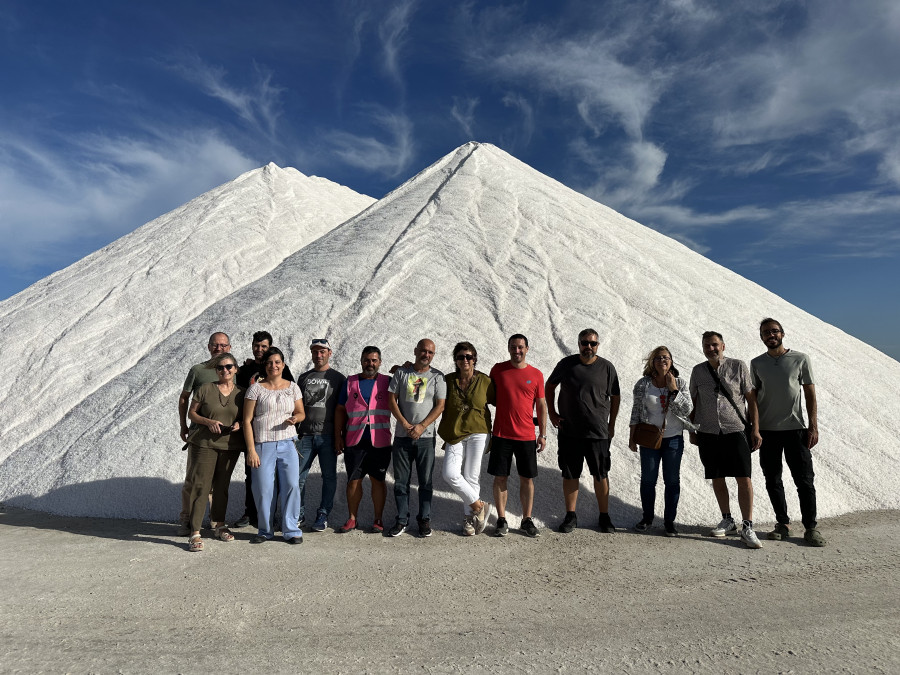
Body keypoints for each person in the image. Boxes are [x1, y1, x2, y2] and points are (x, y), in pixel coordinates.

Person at [751, 318, 825, 547]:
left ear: (782, 333)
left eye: (774, 331)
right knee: (772, 479)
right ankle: (782, 524)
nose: (770, 335)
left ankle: (811, 528)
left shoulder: (800, 359)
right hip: (767, 430)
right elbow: (753, 397)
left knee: (804, 480)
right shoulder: (756, 363)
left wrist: (813, 426)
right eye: (766, 332)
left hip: (795, 429)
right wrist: (754, 429)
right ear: (761, 337)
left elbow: (810, 393)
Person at [689, 331, 763, 549]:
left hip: (736, 429)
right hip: (709, 432)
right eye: (706, 346)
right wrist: (691, 430)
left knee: (744, 477)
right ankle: (727, 519)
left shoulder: (738, 366)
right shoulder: (698, 371)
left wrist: (755, 430)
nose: (711, 349)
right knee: (717, 476)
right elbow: (693, 402)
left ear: (723, 346)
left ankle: (747, 525)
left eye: (714, 345)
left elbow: (751, 400)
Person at [546, 329, 621, 534]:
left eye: (593, 343)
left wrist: (611, 424)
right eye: (585, 343)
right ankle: (570, 516)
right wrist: (552, 413)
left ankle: (604, 517)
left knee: (600, 474)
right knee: (570, 474)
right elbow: (549, 386)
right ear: (578, 344)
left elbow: (615, 397)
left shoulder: (606, 367)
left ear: (598, 345)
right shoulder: (566, 364)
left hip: (598, 432)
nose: (589, 347)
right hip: (570, 431)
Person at [628, 346, 695, 536]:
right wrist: (632, 437)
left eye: (666, 357)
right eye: (658, 358)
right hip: (649, 439)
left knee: (672, 481)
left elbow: (687, 410)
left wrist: (673, 390)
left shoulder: (679, 383)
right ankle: (647, 517)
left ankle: (669, 521)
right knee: (648, 480)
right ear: (652, 362)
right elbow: (635, 412)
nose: (662, 361)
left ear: (671, 361)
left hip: (673, 439)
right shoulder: (643, 384)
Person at [242, 347, 306, 544]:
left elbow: (302, 412)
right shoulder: (256, 388)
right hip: (263, 445)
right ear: (265, 365)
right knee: (263, 489)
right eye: (269, 363)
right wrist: (251, 450)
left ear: (283, 365)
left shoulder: (293, 387)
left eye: (277, 362)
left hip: (288, 443)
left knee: (292, 486)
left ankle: (291, 530)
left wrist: (296, 418)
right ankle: (265, 530)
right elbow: (246, 420)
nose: (273, 366)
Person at [184, 353, 245, 551]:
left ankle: (219, 524)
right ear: (215, 371)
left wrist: (240, 424)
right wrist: (207, 421)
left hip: (230, 446)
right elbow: (191, 412)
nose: (224, 371)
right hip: (204, 444)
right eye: (220, 368)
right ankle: (195, 531)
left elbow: (249, 416)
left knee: (222, 486)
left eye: (229, 367)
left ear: (235, 368)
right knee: (201, 486)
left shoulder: (242, 393)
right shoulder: (205, 389)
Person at [233, 330, 294, 529]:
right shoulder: (245, 370)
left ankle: (272, 517)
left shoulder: (279, 369)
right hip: (251, 429)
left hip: (278, 434)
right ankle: (251, 513)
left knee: (280, 479)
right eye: (256, 346)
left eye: (264, 347)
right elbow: (236, 398)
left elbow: (291, 395)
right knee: (253, 474)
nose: (259, 350)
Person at [488, 334, 547, 538]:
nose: (517, 351)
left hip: (526, 436)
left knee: (527, 479)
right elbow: (489, 396)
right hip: (502, 434)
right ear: (508, 348)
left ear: (527, 349)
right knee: (500, 477)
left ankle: (526, 519)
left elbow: (541, 404)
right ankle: (502, 519)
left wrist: (543, 434)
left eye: (520, 347)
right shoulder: (497, 370)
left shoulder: (536, 374)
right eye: (513, 347)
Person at [386, 339, 446, 538]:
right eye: (423, 351)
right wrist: (404, 423)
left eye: (430, 352)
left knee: (425, 482)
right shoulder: (402, 373)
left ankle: (424, 519)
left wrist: (421, 426)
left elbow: (440, 405)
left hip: (426, 437)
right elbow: (391, 399)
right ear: (415, 351)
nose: (426, 355)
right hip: (403, 437)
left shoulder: (437, 377)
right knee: (401, 482)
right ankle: (402, 519)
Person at [176, 331, 231, 535]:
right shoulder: (198, 370)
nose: (219, 348)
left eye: (223, 345)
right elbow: (184, 399)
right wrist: (183, 425)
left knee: (218, 482)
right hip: (199, 435)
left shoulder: (234, 370)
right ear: (209, 347)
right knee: (193, 479)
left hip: (224, 438)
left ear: (229, 348)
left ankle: (216, 522)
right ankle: (186, 520)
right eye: (215, 345)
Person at [333, 346, 393, 534]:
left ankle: (378, 519)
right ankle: (352, 518)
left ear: (380, 362)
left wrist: (403, 368)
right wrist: (338, 435)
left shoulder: (388, 381)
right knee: (353, 481)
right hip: (355, 441)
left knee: (378, 480)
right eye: (367, 360)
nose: (370, 364)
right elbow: (341, 410)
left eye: (374, 360)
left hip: (380, 441)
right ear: (361, 361)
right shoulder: (350, 382)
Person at [439, 342, 494, 536]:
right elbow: (425, 384)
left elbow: (504, 401)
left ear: (475, 359)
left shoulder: (485, 381)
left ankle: (470, 520)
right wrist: (406, 370)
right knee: (450, 473)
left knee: (471, 476)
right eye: (461, 357)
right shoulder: (447, 381)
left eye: (469, 357)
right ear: (455, 359)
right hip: (454, 432)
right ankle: (480, 507)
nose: (465, 360)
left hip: (479, 431)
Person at [295, 338, 346, 532]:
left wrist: (340, 435)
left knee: (329, 477)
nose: (318, 355)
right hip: (305, 435)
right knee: (298, 477)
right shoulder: (304, 377)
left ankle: (323, 514)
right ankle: (299, 515)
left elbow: (343, 409)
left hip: (327, 436)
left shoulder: (339, 378)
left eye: (322, 351)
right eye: (315, 351)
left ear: (329, 353)